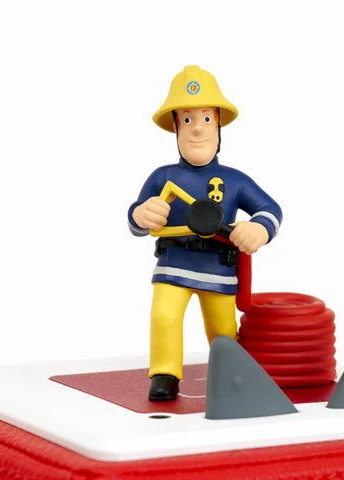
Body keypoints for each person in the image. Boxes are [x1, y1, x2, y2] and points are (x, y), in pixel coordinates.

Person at [128, 65, 282, 401]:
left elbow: (271, 209)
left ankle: (232, 372)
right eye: (187, 119)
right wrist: (142, 214)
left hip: (219, 270)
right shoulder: (162, 177)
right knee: (164, 316)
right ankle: (165, 373)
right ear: (176, 127)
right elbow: (135, 219)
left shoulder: (235, 180)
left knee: (222, 330)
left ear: (218, 126)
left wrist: (259, 227)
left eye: (206, 118)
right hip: (173, 266)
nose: (197, 128)